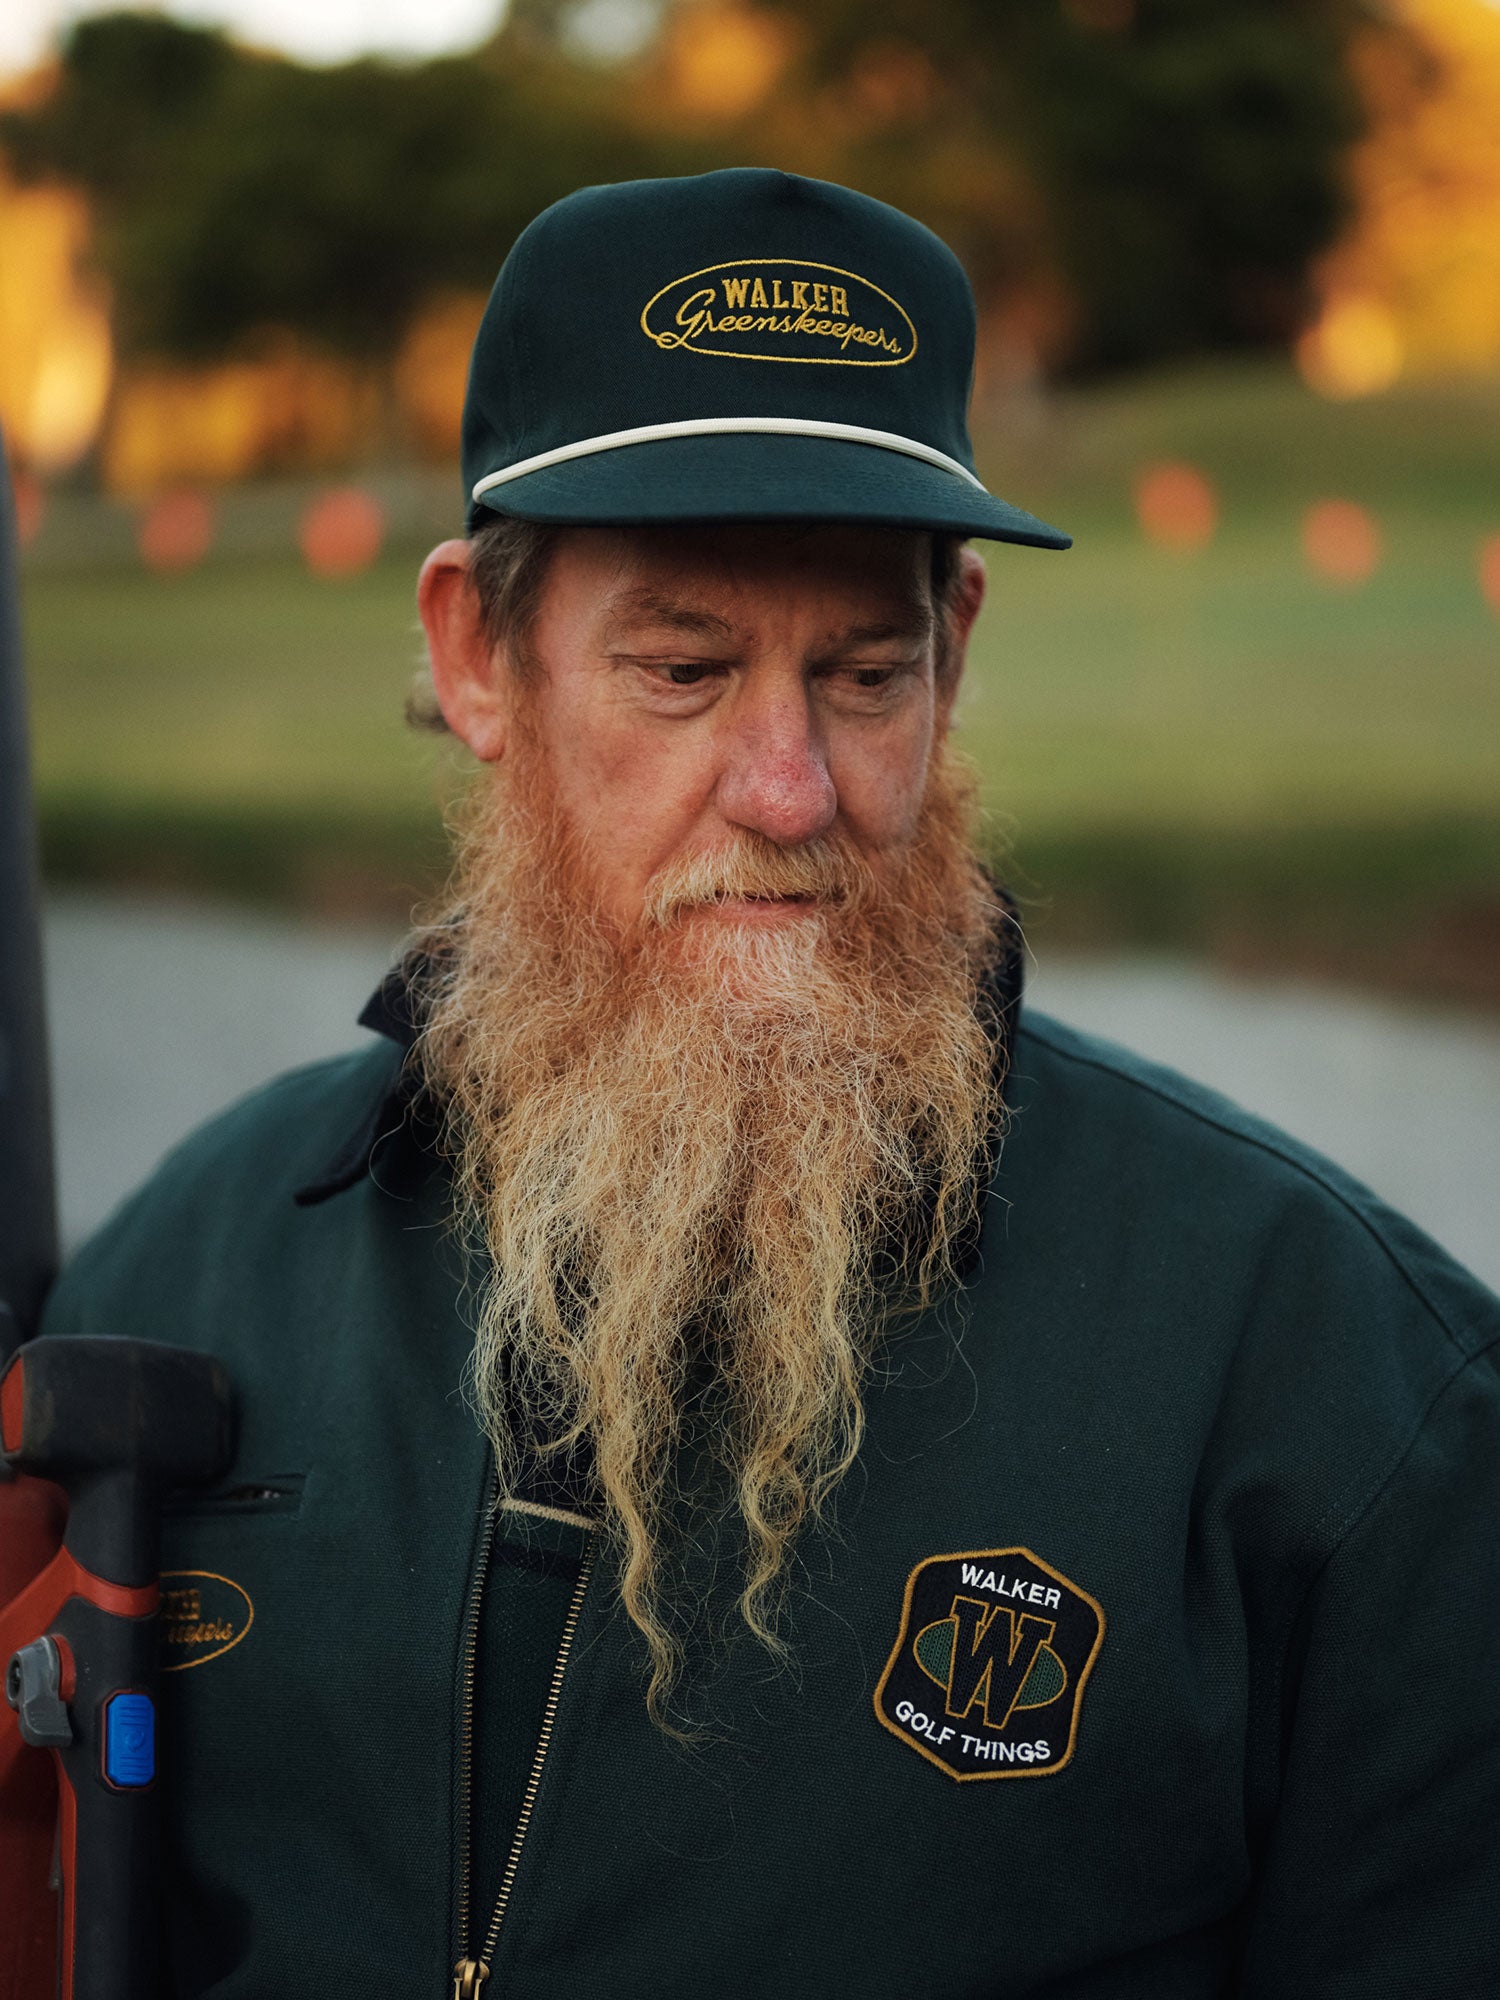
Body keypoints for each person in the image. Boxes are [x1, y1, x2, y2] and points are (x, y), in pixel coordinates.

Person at [41, 169, 1500, 1998]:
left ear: (957, 649)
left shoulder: (1343, 1395)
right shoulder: (182, 1286)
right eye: (684, 668)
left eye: (866, 672)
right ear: (478, 655)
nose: (792, 789)